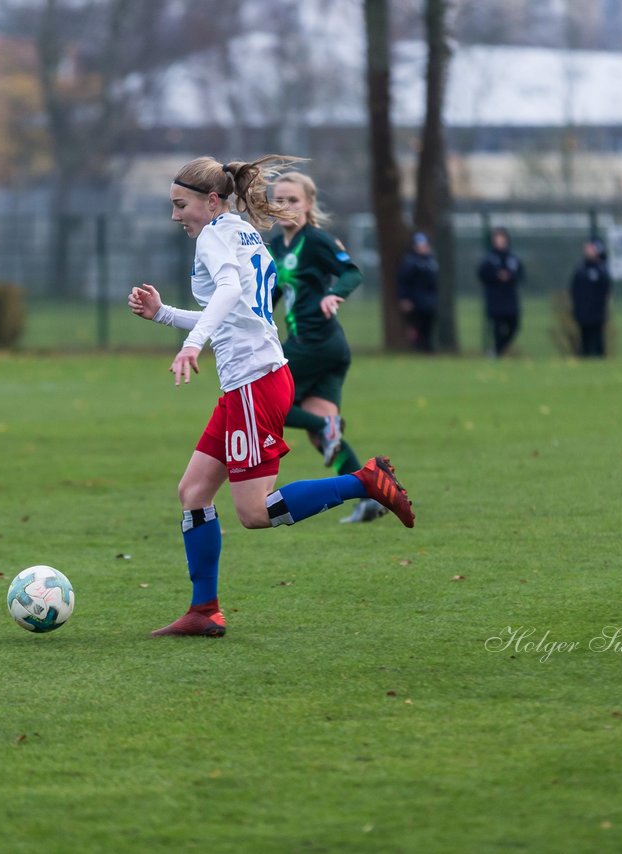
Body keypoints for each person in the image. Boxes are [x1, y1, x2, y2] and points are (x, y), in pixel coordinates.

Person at [128, 155, 415, 638]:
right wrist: (163, 315)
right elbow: (232, 309)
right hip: (256, 379)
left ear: (211, 200)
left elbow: (224, 293)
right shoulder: (240, 230)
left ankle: (365, 482)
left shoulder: (215, 236)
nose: (176, 216)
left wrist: (191, 344)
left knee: (255, 512)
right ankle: (204, 610)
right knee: (194, 491)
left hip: (252, 383)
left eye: (181, 205)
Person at [267, 171, 386, 524]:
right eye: (280, 200)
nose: (286, 206)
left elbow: (351, 272)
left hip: (315, 343)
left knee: (268, 403)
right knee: (324, 441)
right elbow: (274, 294)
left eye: (293, 200)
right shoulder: (276, 247)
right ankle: (370, 497)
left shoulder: (316, 240)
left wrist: (336, 293)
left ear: (307, 204)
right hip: (325, 350)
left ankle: (324, 424)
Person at [476, 227, 523, 357]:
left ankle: (498, 350)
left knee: (514, 326)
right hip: (495, 298)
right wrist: (497, 276)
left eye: (502, 239)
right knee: (497, 327)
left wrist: (510, 276)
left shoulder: (512, 258)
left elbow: (520, 274)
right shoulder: (488, 259)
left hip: (510, 299)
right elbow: (482, 275)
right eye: (497, 239)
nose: (500, 242)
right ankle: (497, 353)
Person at [398, 231, 439, 353]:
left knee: (429, 324)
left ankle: (427, 348)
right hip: (416, 300)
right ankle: (419, 349)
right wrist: (404, 298)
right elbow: (404, 281)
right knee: (417, 325)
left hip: (429, 300)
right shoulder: (410, 262)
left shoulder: (431, 261)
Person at [569, 238, 611, 357]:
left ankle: (600, 359)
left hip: (596, 311)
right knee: (584, 338)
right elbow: (574, 289)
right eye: (586, 248)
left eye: (590, 249)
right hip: (582, 310)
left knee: (597, 338)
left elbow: (605, 291)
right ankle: (585, 358)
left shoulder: (602, 270)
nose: (587, 251)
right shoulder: (580, 269)